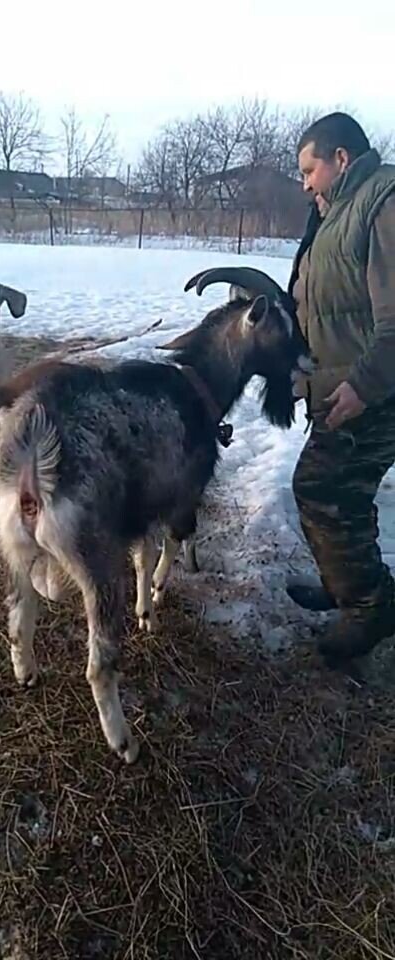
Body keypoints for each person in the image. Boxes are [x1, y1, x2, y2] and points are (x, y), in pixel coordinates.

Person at [286, 111, 395, 666]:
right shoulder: (338, 210)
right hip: (341, 387)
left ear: (341, 160)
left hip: (372, 393)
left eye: (310, 169)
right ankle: (347, 583)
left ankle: (369, 606)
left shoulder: (383, 203)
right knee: (336, 494)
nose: (304, 182)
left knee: (325, 491)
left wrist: (362, 385)